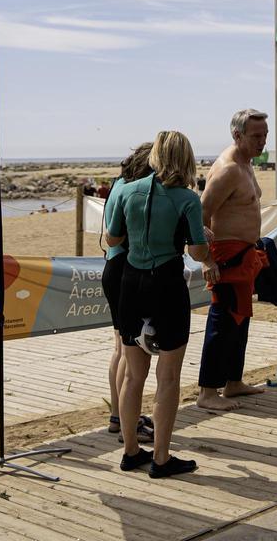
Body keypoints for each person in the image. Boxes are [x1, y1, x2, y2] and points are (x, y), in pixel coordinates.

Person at [105, 130, 211, 478]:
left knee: (134, 375)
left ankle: (130, 450)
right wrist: (204, 244)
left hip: (131, 283)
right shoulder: (186, 198)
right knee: (167, 377)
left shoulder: (127, 190)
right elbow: (197, 252)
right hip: (165, 283)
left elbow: (113, 237)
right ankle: (161, 458)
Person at [196, 109, 271, 411]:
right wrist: (205, 260)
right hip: (225, 256)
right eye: (256, 136)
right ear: (237, 135)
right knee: (222, 321)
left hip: (244, 253)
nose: (263, 141)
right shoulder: (228, 168)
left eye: (265, 135)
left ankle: (233, 382)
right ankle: (207, 391)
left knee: (240, 319)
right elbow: (201, 212)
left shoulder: (246, 164)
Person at [101, 142, 155, 448]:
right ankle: (127, 421)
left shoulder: (118, 184)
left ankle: (118, 415)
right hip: (125, 267)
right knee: (130, 350)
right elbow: (119, 233)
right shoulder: (135, 190)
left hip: (112, 264)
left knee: (120, 346)